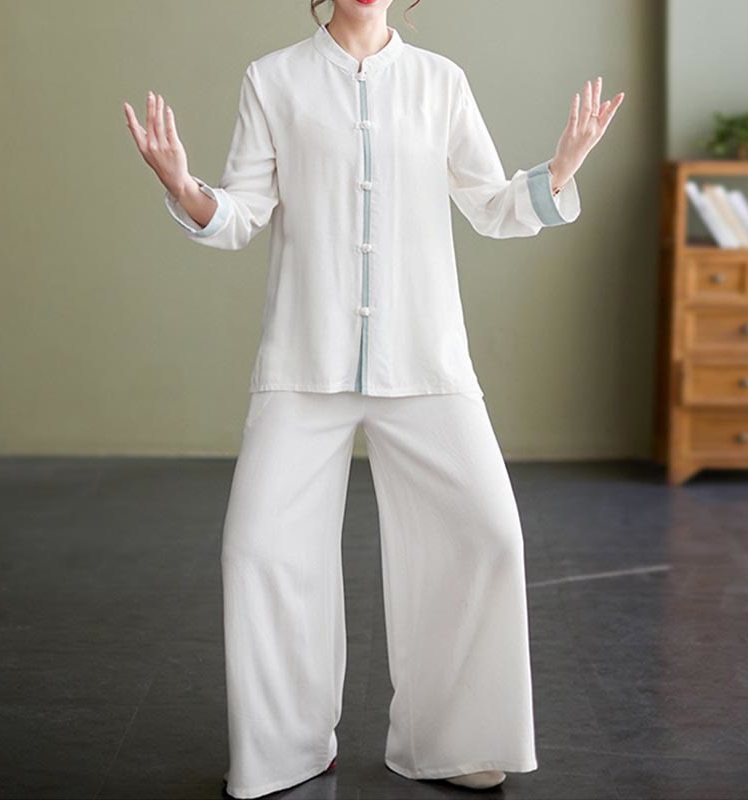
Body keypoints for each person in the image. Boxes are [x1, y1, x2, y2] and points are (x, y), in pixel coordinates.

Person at [124, 0, 624, 797]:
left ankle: (452, 741)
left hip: (425, 357)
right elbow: (243, 215)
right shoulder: (273, 79)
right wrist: (184, 186)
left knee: (489, 536)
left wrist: (560, 170)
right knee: (256, 551)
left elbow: (492, 206)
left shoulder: (441, 82)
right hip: (304, 359)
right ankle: (286, 747)